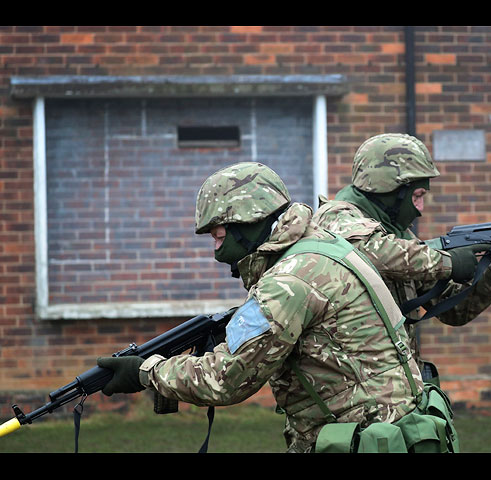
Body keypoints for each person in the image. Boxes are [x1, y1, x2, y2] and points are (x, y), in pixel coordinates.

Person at [96, 162, 456, 453]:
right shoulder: (323, 243)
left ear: (249, 224)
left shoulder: (288, 282)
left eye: (220, 236)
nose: (217, 252)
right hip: (399, 430)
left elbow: (226, 380)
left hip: (368, 438)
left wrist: (146, 371)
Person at [312, 133, 491, 383]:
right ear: (390, 189)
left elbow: (455, 309)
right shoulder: (335, 218)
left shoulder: (398, 235)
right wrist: (448, 262)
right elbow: (369, 252)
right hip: (347, 394)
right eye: (416, 197)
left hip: (392, 391)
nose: (421, 209)